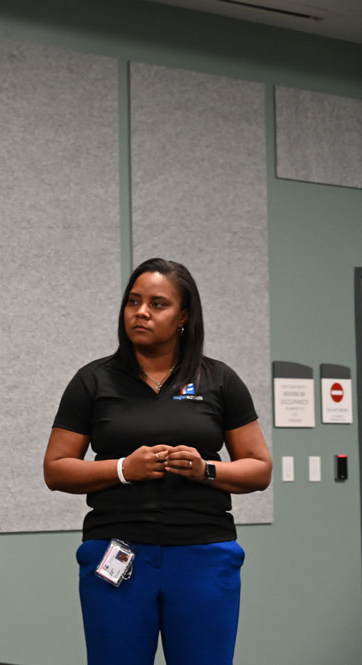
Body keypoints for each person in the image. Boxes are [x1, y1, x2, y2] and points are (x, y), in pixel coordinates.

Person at [43, 257, 272, 665]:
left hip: (203, 554)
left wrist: (206, 470)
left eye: (157, 304)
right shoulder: (93, 381)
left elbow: (258, 467)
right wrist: (121, 470)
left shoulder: (219, 380)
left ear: (184, 315)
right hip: (117, 552)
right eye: (133, 301)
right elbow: (57, 468)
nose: (141, 312)